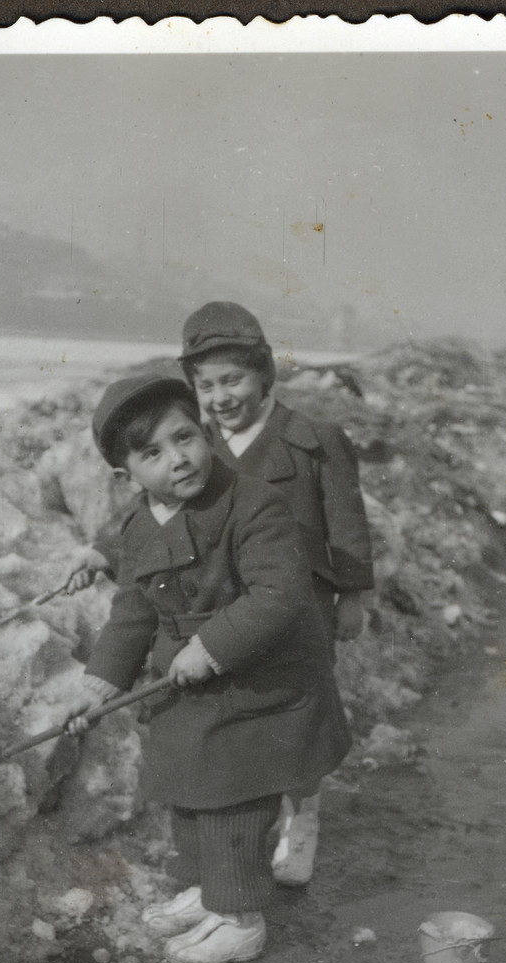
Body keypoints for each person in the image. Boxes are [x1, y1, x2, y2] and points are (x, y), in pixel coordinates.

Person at [63, 367, 350, 963]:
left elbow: (279, 592)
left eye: (186, 437)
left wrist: (214, 645)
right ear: (127, 475)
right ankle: (208, 891)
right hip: (190, 682)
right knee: (188, 792)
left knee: (232, 798)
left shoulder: (252, 502)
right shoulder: (142, 525)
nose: (179, 459)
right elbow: (134, 613)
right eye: (153, 452)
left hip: (256, 680)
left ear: (205, 432)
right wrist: (99, 685)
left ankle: (240, 917)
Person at [178, 301, 374, 885]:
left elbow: (347, 525)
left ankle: (302, 818)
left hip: (300, 611)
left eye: (233, 379)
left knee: (296, 722)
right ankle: (247, 827)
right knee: (239, 721)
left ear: (264, 373)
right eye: (206, 385)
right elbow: (162, 512)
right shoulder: (200, 450)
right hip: (228, 614)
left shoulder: (314, 442)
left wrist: (354, 596)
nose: (221, 397)